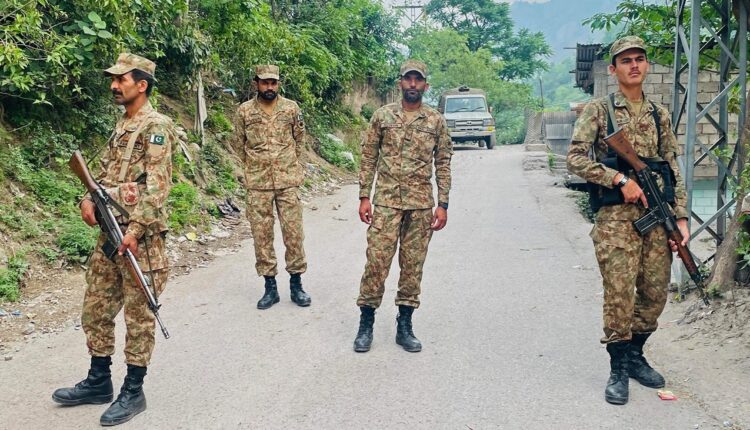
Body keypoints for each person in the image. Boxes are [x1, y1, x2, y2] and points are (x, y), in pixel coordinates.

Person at [52, 53, 176, 426]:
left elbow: (157, 187)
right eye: (114, 79)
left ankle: (133, 391)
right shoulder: (121, 125)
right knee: (96, 308)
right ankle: (98, 380)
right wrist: (87, 199)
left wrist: (135, 231)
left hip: (140, 239)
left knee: (139, 317)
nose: (114, 85)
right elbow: (101, 175)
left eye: (121, 79)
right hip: (109, 234)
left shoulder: (157, 127)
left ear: (142, 84)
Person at [567, 36, 689, 405]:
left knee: (654, 293)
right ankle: (618, 368)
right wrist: (620, 179)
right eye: (626, 60)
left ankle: (636, 354)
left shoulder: (659, 114)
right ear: (613, 69)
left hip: (656, 217)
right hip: (615, 221)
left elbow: (673, 168)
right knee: (619, 294)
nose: (634, 65)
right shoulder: (599, 110)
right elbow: (575, 158)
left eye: (639, 59)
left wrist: (681, 218)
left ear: (646, 65)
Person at [353, 59, 453, 353]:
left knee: (412, 266)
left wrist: (443, 203)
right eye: (408, 79)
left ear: (425, 85)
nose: (412, 84)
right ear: (400, 83)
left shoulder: (435, 121)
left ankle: (405, 325)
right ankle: (366, 323)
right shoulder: (382, 116)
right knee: (376, 263)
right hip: (385, 203)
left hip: (420, 206)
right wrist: (364, 196)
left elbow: (443, 163)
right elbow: (368, 156)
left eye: (417, 80)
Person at [231, 64, 311, 309]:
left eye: (273, 82)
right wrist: (253, 166)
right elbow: (238, 143)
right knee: (262, 236)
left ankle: (296, 285)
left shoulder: (291, 108)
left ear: (278, 84)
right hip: (258, 184)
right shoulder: (244, 111)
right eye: (265, 82)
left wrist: (296, 167)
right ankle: (270, 287)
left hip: (288, 182)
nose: (269, 87)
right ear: (256, 83)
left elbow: (300, 140)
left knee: (293, 234)